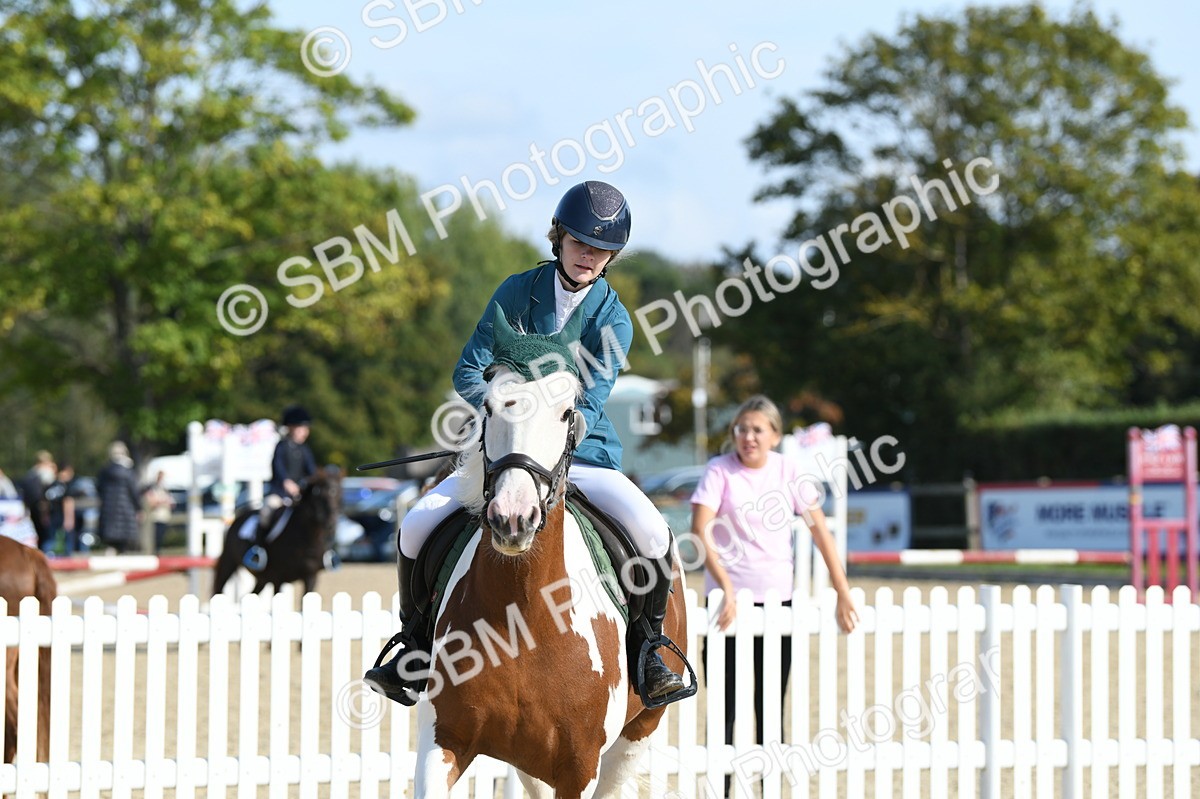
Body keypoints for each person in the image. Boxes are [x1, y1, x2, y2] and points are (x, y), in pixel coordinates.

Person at [365, 180, 692, 707]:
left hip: (582, 455)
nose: (590, 255)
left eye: (602, 248)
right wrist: (504, 400)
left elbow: (593, 396)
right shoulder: (516, 292)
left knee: (653, 534)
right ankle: (415, 645)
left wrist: (556, 419)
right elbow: (468, 369)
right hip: (506, 450)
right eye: (581, 242)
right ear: (558, 237)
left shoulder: (614, 318)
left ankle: (649, 651)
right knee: (418, 522)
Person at [691, 395, 858, 755]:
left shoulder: (789, 471)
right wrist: (726, 587)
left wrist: (843, 591)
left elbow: (821, 533)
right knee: (725, 710)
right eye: (741, 429)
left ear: (775, 436)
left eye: (757, 430)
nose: (748, 437)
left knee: (770, 706)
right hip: (726, 606)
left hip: (777, 604)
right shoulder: (719, 470)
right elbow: (701, 532)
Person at [244, 404, 317, 571]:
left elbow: (311, 471)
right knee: (266, 512)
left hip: (298, 497)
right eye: (301, 428)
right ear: (290, 428)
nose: (304, 432)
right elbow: (278, 468)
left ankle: (322, 552)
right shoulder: (281, 446)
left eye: (305, 428)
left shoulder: (305, 450)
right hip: (280, 494)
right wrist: (286, 481)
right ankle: (258, 550)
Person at [97, 442, 141, 553]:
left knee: (111, 544)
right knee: (123, 546)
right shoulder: (128, 472)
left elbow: (99, 489)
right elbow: (134, 492)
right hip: (126, 512)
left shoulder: (104, 471)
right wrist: (139, 508)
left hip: (108, 512)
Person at [19, 451, 56, 550]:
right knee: (47, 536)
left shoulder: (29, 475)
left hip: (32, 509)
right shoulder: (45, 475)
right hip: (43, 510)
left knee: (39, 535)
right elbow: (47, 495)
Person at [44, 463, 81, 555]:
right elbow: (68, 502)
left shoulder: (50, 485)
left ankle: (48, 558)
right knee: (67, 541)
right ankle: (67, 560)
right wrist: (69, 519)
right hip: (61, 516)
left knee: (50, 540)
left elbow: (45, 503)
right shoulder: (66, 486)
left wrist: (45, 516)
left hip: (52, 515)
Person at [142, 470, 175, 554]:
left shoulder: (165, 489)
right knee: (154, 539)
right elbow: (151, 502)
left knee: (161, 538)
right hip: (155, 517)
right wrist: (162, 501)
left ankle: (158, 554)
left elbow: (171, 503)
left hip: (164, 517)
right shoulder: (153, 489)